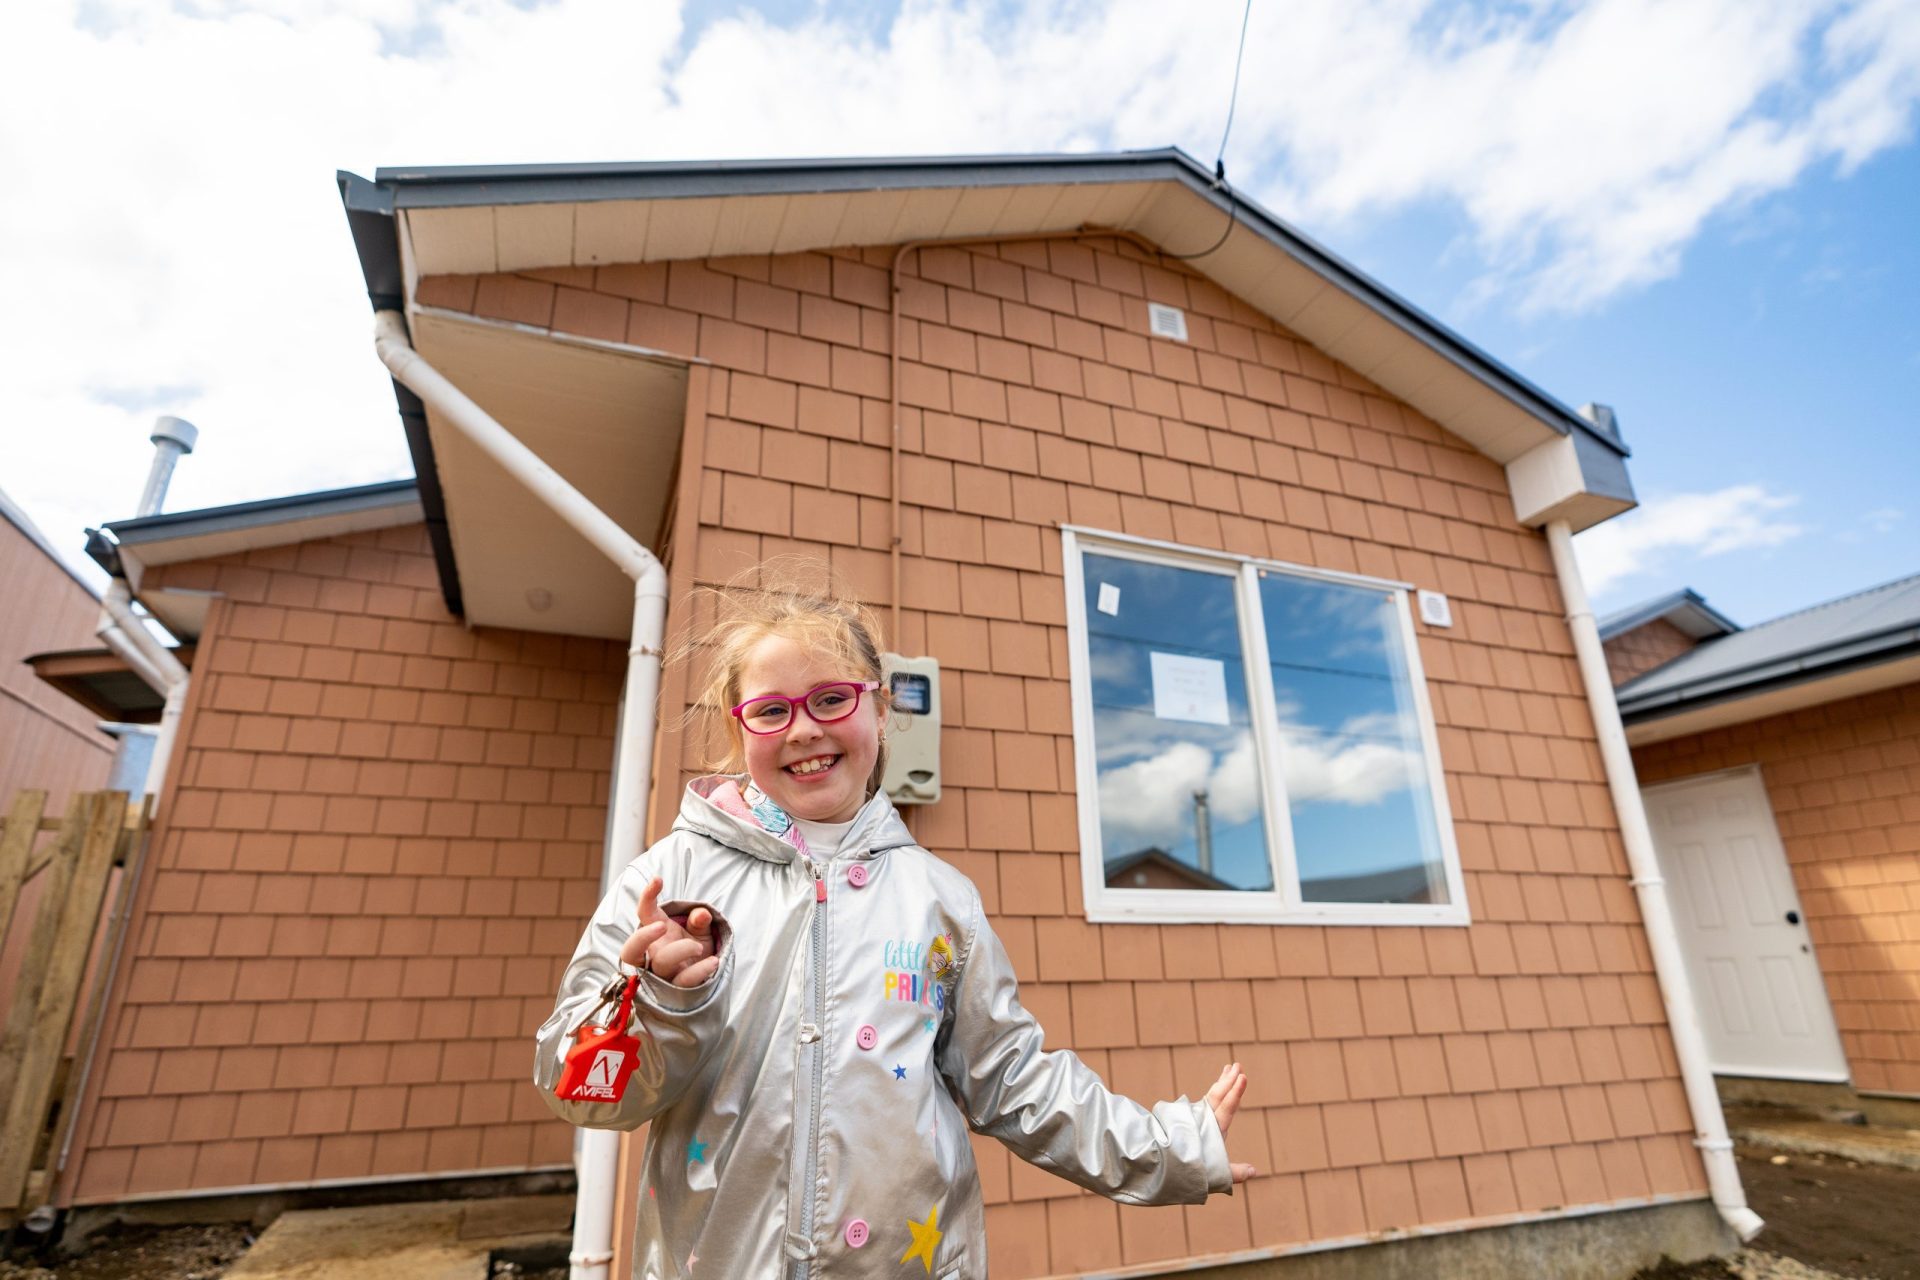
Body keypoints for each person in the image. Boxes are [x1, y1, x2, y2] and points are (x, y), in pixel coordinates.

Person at [535, 572, 1255, 1277]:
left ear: (881, 711)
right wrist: (657, 1006)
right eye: (772, 710)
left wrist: (1169, 1149)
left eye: (831, 698)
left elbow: (1012, 1077)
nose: (805, 729)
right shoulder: (665, 883)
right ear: (738, 727)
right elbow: (580, 1093)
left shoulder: (940, 901)